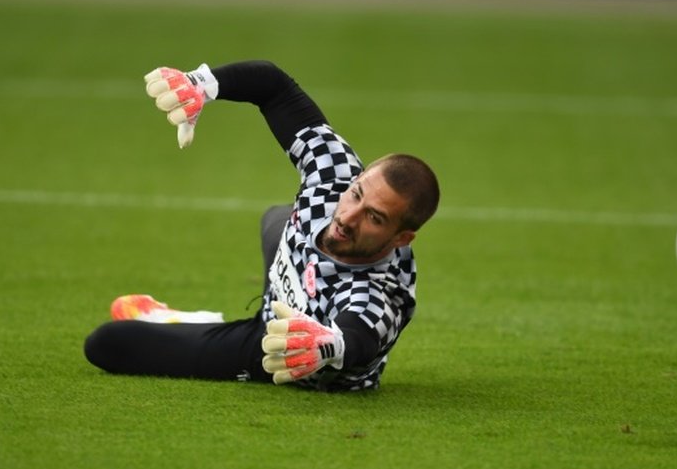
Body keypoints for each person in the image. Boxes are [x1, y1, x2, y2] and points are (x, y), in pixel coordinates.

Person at [84, 60, 440, 392]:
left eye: (375, 218)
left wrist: (327, 345)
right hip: (292, 271)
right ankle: (200, 319)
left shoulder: (375, 294)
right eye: (357, 194)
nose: (348, 217)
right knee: (276, 218)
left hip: (277, 346)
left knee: (108, 344)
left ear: (402, 238)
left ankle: (178, 321)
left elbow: (358, 339)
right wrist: (202, 85)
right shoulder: (335, 177)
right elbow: (273, 87)